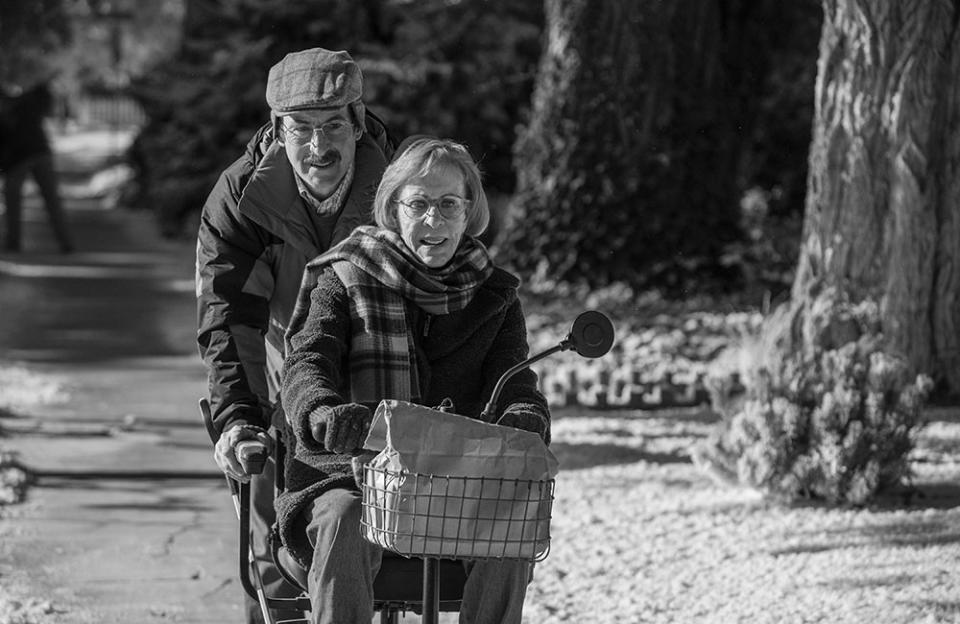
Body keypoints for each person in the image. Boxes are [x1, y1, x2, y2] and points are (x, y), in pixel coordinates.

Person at [277, 137, 551, 624]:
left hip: (456, 477)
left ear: (469, 212)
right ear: (392, 209)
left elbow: (513, 380)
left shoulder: (496, 295)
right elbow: (306, 361)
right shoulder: (345, 275)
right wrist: (322, 410)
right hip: (354, 469)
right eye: (419, 203)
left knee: (511, 525)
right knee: (342, 517)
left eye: (449, 204)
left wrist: (524, 415)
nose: (433, 220)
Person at [195, 47, 394, 623]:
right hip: (284, 386)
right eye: (300, 129)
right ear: (277, 131)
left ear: (358, 122)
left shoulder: (401, 187)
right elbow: (229, 316)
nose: (318, 146)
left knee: (393, 553)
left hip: (384, 380)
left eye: (333, 125)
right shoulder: (242, 197)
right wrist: (239, 416)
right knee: (272, 557)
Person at [1, 80, 73, 254]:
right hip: (38, 152)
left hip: (21, 157)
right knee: (51, 200)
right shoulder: (25, 103)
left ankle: (13, 242)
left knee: (15, 199)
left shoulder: (11, 109)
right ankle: (65, 242)